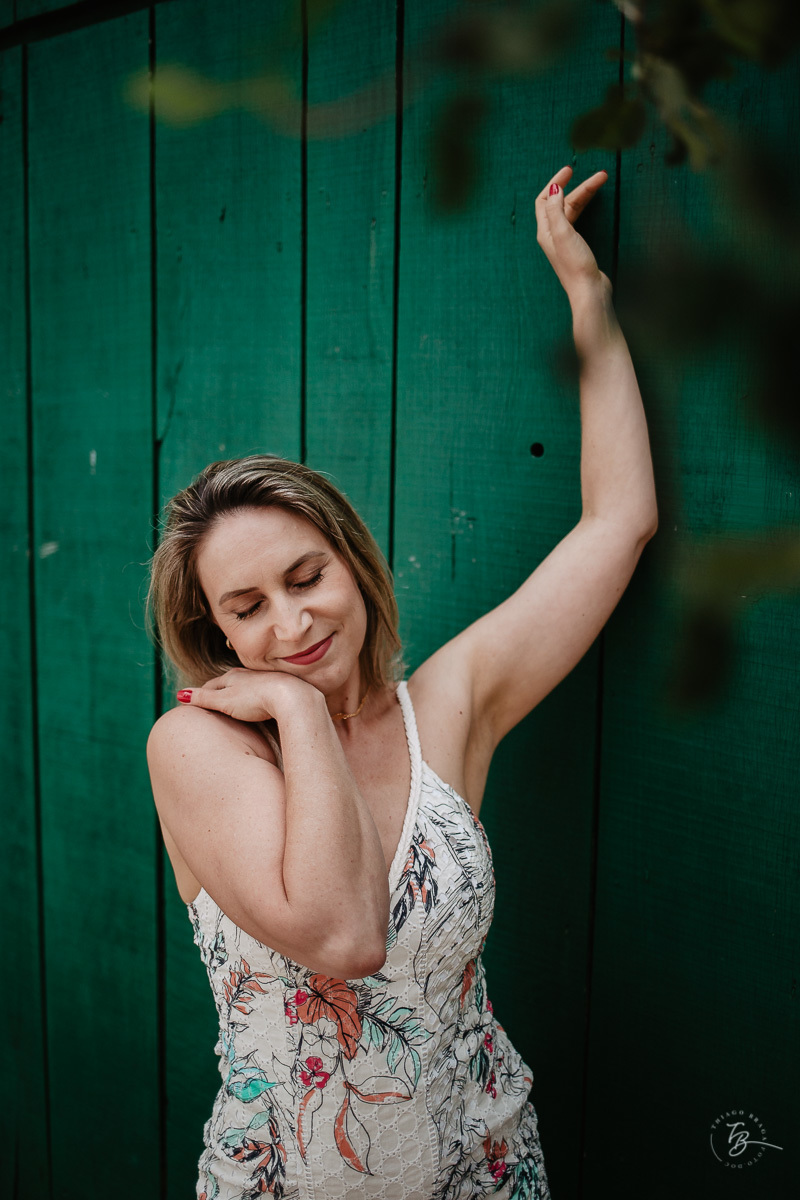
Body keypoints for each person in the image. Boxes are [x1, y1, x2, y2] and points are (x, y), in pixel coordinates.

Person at [146, 164, 657, 1200]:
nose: (290, 624)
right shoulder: (196, 748)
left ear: (352, 560)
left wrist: (587, 301)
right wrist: (295, 710)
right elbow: (343, 934)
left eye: (307, 576)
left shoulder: (445, 708)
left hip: (489, 1164)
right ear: (216, 630)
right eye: (247, 609)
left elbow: (617, 523)